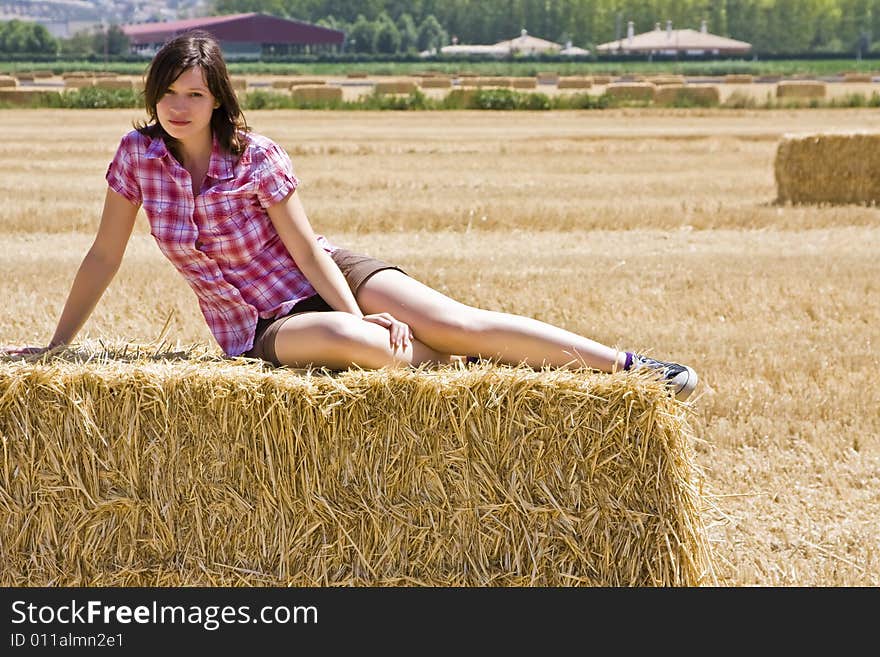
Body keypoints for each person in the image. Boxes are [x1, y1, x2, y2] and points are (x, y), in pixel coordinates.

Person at [5, 30, 698, 402]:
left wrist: (362, 309)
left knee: (454, 322)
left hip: (332, 274)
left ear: (218, 99)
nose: (178, 106)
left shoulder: (257, 156)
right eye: (167, 93)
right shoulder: (136, 157)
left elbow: (308, 251)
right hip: (259, 326)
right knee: (371, 347)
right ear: (153, 95)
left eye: (193, 93)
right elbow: (103, 255)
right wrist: (57, 345)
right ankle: (494, 378)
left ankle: (634, 369)